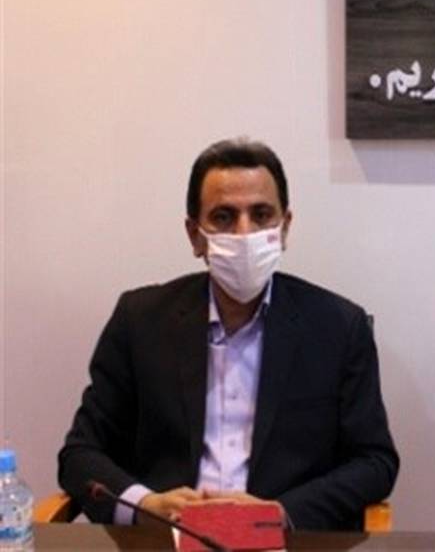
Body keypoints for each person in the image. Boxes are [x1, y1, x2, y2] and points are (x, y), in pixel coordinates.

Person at [59, 138, 399, 530]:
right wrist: (145, 505)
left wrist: (281, 513)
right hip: (167, 538)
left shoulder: (338, 327)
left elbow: (375, 462)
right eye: (223, 217)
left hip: (283, 541)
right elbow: (80, 455)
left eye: (261, 215)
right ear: (194, 235)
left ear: (285, 228)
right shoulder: (139, 321)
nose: (244, 232)